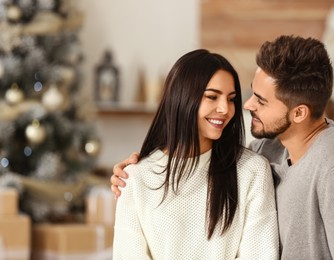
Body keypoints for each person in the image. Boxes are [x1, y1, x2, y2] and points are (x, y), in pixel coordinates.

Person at [111, 36, 334, 259]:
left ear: (299, 113)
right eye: (250, 93)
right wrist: (136, 173)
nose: (245, 105)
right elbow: (206, 165)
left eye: (261, 100)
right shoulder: (267, 150)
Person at [112, 49, 279, 259]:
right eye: (212, 97)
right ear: (182, 97)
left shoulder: (251, 170)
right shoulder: (135, 178)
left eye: (231, 99)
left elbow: (260, 254)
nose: (225, 109)